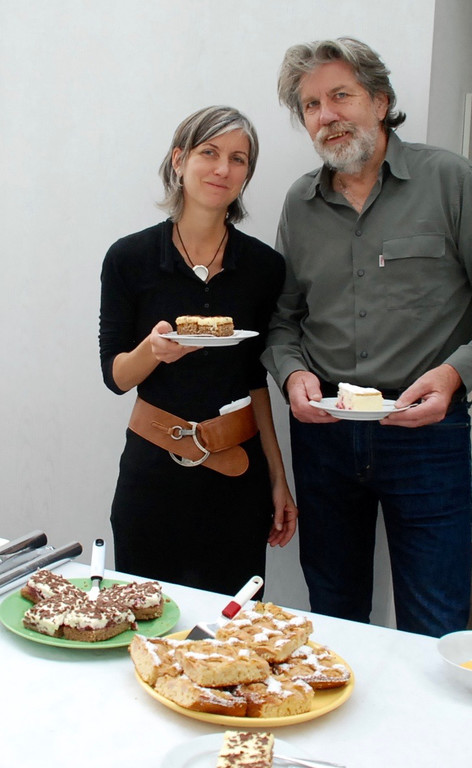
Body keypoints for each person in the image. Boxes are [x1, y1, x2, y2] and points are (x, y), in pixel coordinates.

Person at [261, 38, 472, 636]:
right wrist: (292, 373)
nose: (327, 115)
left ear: (381, 101)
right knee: (334, 614)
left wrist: (455, 373)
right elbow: (282, 318)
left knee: (435, 618)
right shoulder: (300, 203)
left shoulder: (450, 181)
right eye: (311, 105)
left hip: (427, 435)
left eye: (341, 96)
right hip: (324, 433)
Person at [100, 105, 297, 596]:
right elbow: (116, 376)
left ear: (246, 174)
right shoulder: (130, 258)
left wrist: (278, 477)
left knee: (231, 627)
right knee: (149, 619)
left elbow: (255, 380)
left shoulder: (264, 267)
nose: (223, 168)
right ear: (179, 160)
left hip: (238, 477)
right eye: (209, 152)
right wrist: (153, 350)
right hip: (152, 476)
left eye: (238, 159)